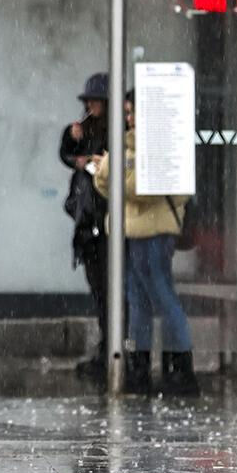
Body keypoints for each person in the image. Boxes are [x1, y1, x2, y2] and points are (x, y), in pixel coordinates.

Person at [93, 94, 199, 397]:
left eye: (132, 112)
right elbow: (104, 185)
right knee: (137, 299)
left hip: (153, 233)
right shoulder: (126, 144)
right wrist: (112, 173)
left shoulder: (161, 145)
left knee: (161, 296)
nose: (128, 119)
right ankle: (140, 367)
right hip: (131, 232)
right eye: (127, 113)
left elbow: (142, 187)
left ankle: (179, 368)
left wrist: (111, 172)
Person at [59, 73, 111, 380]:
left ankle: (113, 350)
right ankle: (107, 349)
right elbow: (66, 155)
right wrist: (72, 140)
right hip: (87, 223)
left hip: (103, 222)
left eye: (95, 101)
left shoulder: (112, 132)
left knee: (109, 291)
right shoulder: (85, 128)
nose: (90, 106)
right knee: (99, 290)